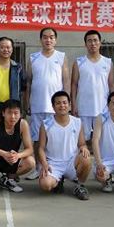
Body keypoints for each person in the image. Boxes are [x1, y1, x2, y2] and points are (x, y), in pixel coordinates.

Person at [24, 27, 70, 180]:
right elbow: (29, 82)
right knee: (37, 138)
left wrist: (67, 103)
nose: (48, 40)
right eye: (45, 37)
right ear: (41, 39)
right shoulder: (33, 58)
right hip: (37, 105)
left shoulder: (61, 56)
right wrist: (27, 102)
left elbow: (66, 81)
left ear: (55, 40)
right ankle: (38, 167)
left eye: (51, 37)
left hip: (56, 107)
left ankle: (54, 168)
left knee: (54, 139)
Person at [37, 91, 92, 200]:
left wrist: (84, 148)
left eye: (64, 102)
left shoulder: (77, 122)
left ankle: (79, 186)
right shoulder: (46, 124)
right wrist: (44, 164)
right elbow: (41, 148)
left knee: (86, 159)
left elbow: (82, 144)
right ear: (53, 107)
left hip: (71, 162)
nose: (62, 105)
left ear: (70, 105)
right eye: (58, 103)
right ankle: (58, 181)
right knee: (45, 185)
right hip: (53, 164)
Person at [71, 29, 114, 141]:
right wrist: (74, 104)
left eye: (95, 40)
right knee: (82, 140)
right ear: (85, 44)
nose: (93, 43)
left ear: (100, 43)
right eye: (89, 41)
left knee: (102, 140)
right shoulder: (79, 62)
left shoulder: (108, 62)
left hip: (102, 108)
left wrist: (113, 105)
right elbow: (74, 84)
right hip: (83, 108)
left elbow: (111, 86)